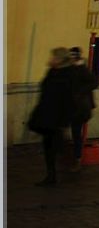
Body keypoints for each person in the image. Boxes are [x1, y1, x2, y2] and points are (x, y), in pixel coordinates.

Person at [27, 48, 76, 186]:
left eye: (54, 57)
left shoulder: (68, 75)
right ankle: (52, 174)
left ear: (60, 59)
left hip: (57, 117)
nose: (51, 59)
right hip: (47, 115)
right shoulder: (52, 72)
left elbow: (69, 99)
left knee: (55, 145)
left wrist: (65, 119)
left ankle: (64, 166)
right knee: (50, 146)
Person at [68, 46, 99, 172]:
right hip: (77, 106)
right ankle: (76, 158)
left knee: (76, 133)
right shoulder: (76, 69)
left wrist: (80, 93)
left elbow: (95, 82)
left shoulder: (81, 70)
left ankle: (77, 160)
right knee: (75, 133)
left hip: (80, 108)